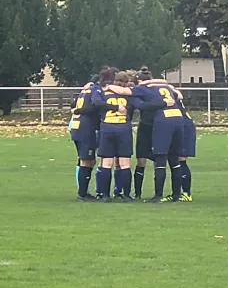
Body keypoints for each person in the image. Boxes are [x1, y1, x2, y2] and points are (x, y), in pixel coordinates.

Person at [94, 70, 174, 202]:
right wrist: (163, 103)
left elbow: (97, 104)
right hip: (124, 129)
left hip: (107, 128)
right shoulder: (129, 95)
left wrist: (113, 107)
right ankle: (126, 195)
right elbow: (142, 106)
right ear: (126, 82)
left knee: (107, 163)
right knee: (125, 163)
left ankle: (105, 195)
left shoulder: (103, 91)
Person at [70, 68, 120, 201]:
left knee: (87, 160)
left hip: (76, 126)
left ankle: (84, 192)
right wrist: (115, 107)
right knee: (86, 161)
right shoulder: (96, 89)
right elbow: (97, 104)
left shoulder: (85, 89)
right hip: (86, 129)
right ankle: (82, 194)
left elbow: (73, 104)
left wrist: (80, 110)